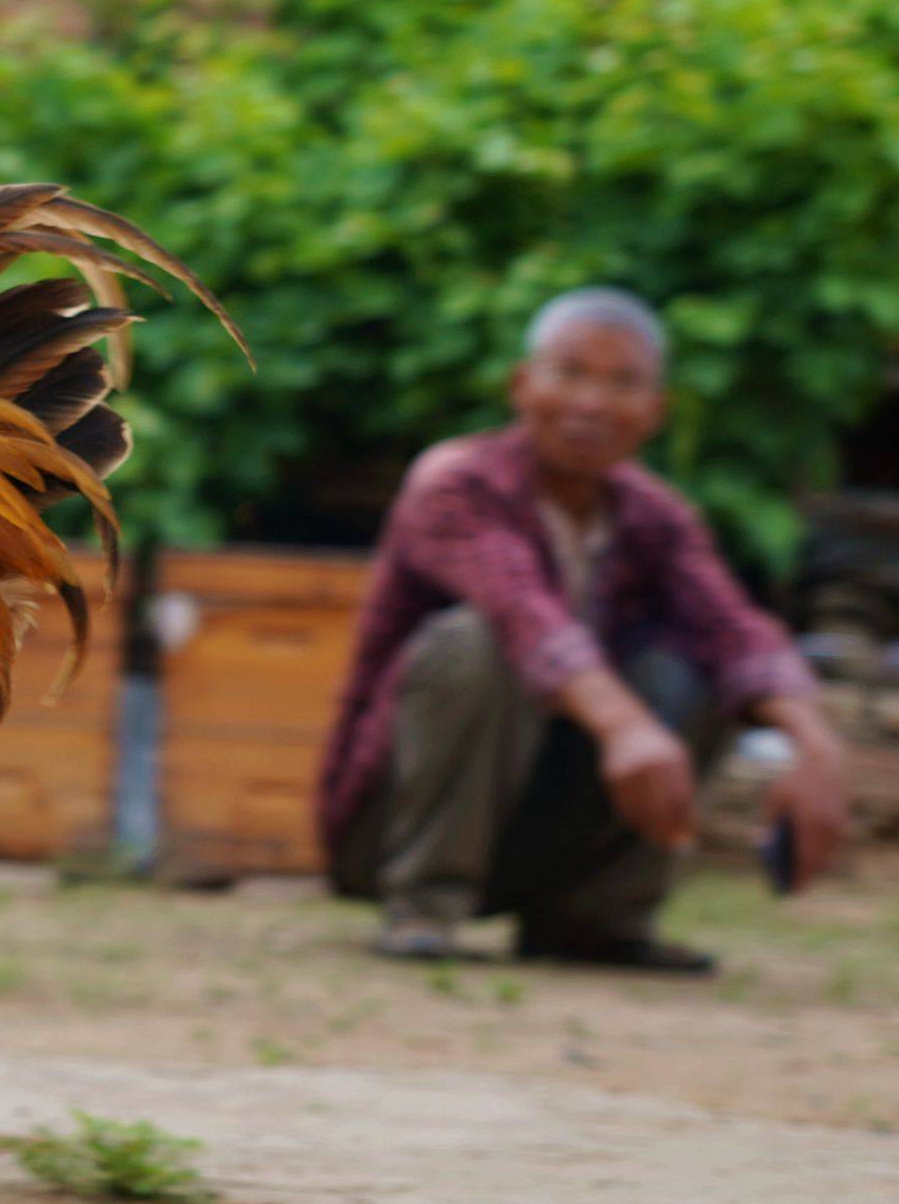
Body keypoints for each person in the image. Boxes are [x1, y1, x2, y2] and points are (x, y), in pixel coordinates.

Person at [313, 289, 849, 974]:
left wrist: (816, 745)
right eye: (569, 372)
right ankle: (424, 904)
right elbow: (523, 612)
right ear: (521, 385)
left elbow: (732, 626)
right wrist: (627, 726)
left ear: (654, 412)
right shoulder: (455, 483)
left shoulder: (657, 516)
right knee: (476, 643)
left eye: (622, 382)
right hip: (389, 833)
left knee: (701, 665)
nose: (591, 402)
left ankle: (599, 917)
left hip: (543, 832)